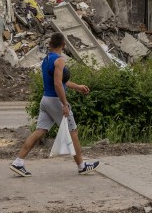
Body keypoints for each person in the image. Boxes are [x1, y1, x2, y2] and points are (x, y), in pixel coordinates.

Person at [10, 32, 100, 177]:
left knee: (40, 131)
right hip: (55, 100)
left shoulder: (46, 59)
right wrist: (64, 104)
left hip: (45, 100)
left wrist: (77, 86)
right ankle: (82, 166)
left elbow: (60, 82)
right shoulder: (59, 60)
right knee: (73, 132)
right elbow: (58, 84)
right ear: (63, 45)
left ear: (51, 44)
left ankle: (18, 162)